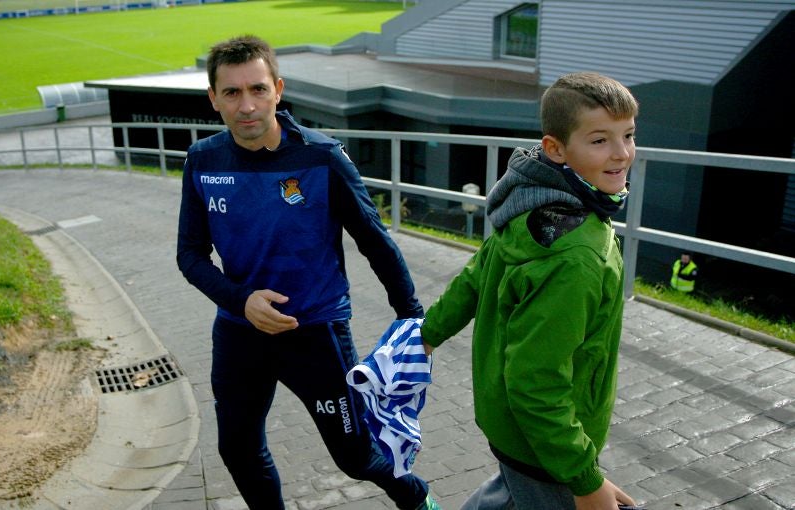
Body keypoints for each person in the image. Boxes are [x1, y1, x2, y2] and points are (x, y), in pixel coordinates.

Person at [176, 35, 439, 510]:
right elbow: (190, 256)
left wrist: (412, 319)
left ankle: (416, 496)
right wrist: (242, 301)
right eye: (232, 92)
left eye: (258, 89)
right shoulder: (202, 160)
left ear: (278, 89)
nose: (246, 106)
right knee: (237, 449)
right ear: (213, 98)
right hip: (239, 333)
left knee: (356, 457)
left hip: (315, 333)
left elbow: (375, 241)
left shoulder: (321, 156)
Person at [419, 72, 641, 510]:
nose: (621, 153)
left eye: (629, 135)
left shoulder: (530, 200)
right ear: (555, 149)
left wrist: (428, 333)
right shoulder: (576, 256)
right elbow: (535, 383)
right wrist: (585, 480)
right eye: (600, 140)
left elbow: (475, 276)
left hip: (513, 431)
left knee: (506, 496)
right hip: (548, 446)